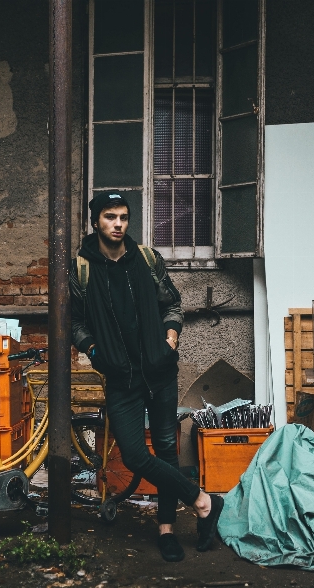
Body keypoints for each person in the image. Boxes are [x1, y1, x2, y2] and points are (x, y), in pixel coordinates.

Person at [70, 190, 224, 562]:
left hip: (159, 371)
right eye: (110, 217)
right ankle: (204, 502)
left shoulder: (146, 259)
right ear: (96, 222)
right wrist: (93, 351)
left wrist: (170, 338)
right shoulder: (81, 268)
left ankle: (167, 530)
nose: (118, 224)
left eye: (123, 216)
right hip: (121, 378)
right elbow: (73, 321)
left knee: (168, 450)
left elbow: (172, 302)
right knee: (137, 455)